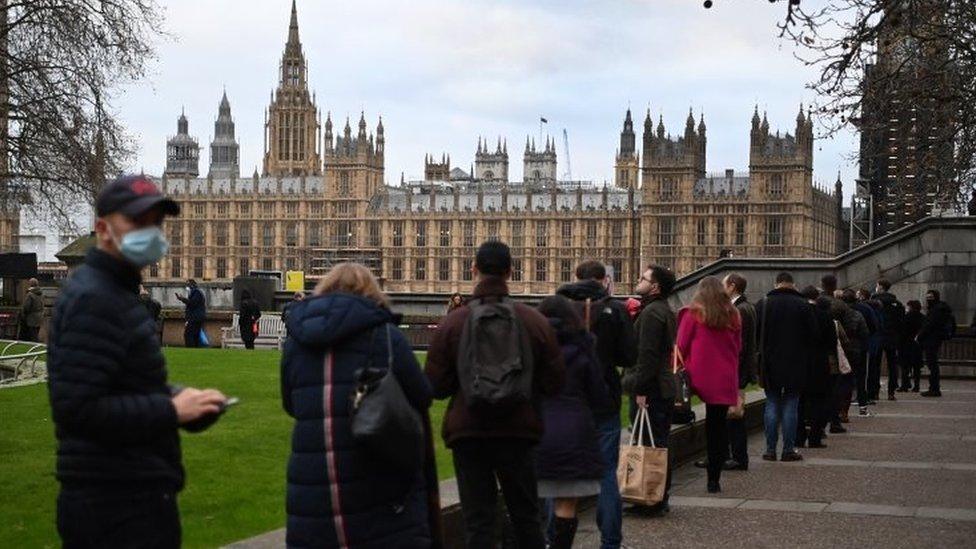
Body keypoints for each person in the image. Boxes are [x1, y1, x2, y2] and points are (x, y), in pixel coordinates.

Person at [46, 175, 228, 548]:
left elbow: (122, 385)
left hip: (134, 494)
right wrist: (170, 409)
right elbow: (78, 409)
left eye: (156, 224)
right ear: (103, 229)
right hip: (112, 503)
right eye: (137, 222)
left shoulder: (116, 292)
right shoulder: (95, 299)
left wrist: (185, 401)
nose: (151, 232)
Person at [280, 262, 437, 548]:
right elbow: (423, 395)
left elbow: (291, 404)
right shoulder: (386, 336)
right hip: (375, 478)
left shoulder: (296, 344)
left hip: (313, 492)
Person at [425, 241, 564, 549]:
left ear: (473, 269)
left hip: (469, 433)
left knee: (479, 523)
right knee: (527, 518)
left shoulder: (454, 322)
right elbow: (555, 382)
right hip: (518, 432)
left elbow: (434, 386)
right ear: (510, 272)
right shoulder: (534, 321)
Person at [555, 259, 636, 549]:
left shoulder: (556, 308)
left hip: (566, 401)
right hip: (603, 400)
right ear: (604, 280)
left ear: (575, 277)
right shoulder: (616, 310)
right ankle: (611, 543)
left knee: (561, 474)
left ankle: (556, 540)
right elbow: (629, 356)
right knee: (606, 474)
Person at [535, 295, 611, 549]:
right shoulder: (583, 348)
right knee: (566, 504)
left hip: (536, 432)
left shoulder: (531, 346)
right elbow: (601, 398)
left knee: (525, 505)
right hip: (574, 434)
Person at [676, 276, 741, 493]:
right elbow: (737, 347)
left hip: (698, 375)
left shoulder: (692, 313)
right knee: (717, 427)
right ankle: (714, 479)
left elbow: (681, 346)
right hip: (723, 377)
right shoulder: (733, 315)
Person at [621, 265, 677, 516]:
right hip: (660, 388)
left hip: (651, 390)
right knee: (658, 444)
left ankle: (651, 498)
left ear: (655, 286)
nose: (639, 280)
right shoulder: (661, 309)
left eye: (643, 278)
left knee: (650, 445)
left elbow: (648, 355)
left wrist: (641, 389)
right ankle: (655, 495)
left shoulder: (653, 313)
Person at [755, 272, 818, 462]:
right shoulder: (803, 305)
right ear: (793, 285)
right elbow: (814, 335)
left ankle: (770, 450)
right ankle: (788, 449)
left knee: (772, 403)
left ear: (776, 284)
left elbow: (756, 334)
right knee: (791, 403)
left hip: (769, 362)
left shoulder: (763, 304)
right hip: (796, 361)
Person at [723, 273, 757, 470]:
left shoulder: (739, 310)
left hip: (736, 370)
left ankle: (738, 457)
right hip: (740, 369)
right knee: (734, 414)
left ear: (732, 286)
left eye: (724, 284)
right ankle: (730, 455)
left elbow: (739, 345)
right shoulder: (747, 306)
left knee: (735, 416)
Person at [796, 286, 835, 449]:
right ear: (816, 297)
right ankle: (815, 437)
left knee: (799, 402)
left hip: (799, 362)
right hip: (819, 363)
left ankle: (798, 438)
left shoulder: (797, 315)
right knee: (819, 401)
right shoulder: (825, 315)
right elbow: (832, 342)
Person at [834, 289, 870, 423]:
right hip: (854, 350)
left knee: (837, 380)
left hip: (837, 349)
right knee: (849, 381)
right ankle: (845, 412)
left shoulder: (835, 313)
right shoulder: (857, 314)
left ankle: (835, 411)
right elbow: (865, 333)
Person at [917, 289, 955, 397]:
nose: (928, 299)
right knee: (932, 364)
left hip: (932, 339)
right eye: (927, 297)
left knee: (932, 364)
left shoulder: (936, 310)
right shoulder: (941, 308)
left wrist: (920, 336)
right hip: (936, 338)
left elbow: (930, 324)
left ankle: (934, 388)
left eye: (930, 298)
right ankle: (934, 387)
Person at [872, 278, 905, 400]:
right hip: (892, 336)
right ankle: (891, 392)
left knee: (875, 365)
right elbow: (902, 321)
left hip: (878, 336)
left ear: (880, 287)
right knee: (893, 365)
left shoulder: (874, 301)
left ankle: (875, 391)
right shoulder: (897, 303)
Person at [857, 287, 884, 401]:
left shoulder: (864, 309)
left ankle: (866, 394)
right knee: (874, 368)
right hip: (876, 341)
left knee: (866, 369)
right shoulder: (876, 308)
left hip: (867, 341)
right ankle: (873, 392)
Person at [901, 300, 925, 392]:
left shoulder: (906, 317)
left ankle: (905, 385)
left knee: (905, 366)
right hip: (917, 344)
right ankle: (916, 386)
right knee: (916, 367)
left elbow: (902, 331)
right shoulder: (922, 317)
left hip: (906, 343)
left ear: (910, 307)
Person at [176, 279, 206, 347]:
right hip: (196, 317)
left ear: (191, 285)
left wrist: (182, 299)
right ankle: (195, 349)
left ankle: (191, 348)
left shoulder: (196, 292)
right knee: (195, 334)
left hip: (195, 317)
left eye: (188, 285)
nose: (187, 287)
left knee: (188, 334)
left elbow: (192, 303)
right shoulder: (195, 292)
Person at [18, 278, 44, 342]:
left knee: (31, 334)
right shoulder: (41, 294)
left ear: (30, 284)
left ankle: (33, 347)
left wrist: (23, 314)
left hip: (31, 317)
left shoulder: (30, 294)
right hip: (39, 316)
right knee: (36, 332)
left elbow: (26, 307)